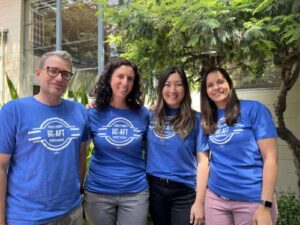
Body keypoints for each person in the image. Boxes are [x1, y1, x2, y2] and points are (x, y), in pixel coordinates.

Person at [0, 50, 89, 225]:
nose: (59, 78)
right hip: (27, 217)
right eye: (53, 70)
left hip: (71, 212)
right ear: (38, 73)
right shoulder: (14, 111)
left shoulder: (79, 111)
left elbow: (81, 154)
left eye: (65, 73)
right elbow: (1, 166)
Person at [200, 67, 278, 225]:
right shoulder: (207, 118)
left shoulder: (254, 109)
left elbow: (271, 159)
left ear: (229, 83)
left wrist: (265, 205)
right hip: (216, 199)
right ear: (205, 91)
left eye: (220, 82)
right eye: (210, 85)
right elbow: (205, 160)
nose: (216, 87)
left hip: (251, 200)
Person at [83, 58, 149, 225]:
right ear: (109, 78)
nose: (125, 82)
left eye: (130, 78)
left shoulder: (144, 114)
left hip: (135, 192)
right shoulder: (92, 113)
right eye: (120, 76)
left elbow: (150, 149)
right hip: (99, 191)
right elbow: (80, 152)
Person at [146, 66, 209, 225]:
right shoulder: (150, 116)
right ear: (161, 88)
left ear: (185, 89)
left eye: (178, 84)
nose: (172, 90)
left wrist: (199, 202)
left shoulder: (197, 120)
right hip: (154, 189)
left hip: (184, 192)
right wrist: (97, 103)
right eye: (167, 84)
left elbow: (203, 162)